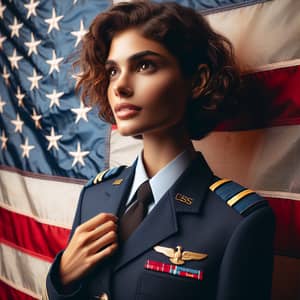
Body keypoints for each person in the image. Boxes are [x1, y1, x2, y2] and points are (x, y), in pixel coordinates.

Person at [45, 1, 275, 299]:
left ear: (198, 81)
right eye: (113, 70)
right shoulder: (94, 195)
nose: (120, 87)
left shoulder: (237, 222)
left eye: (144, 65)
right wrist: (61, 279)